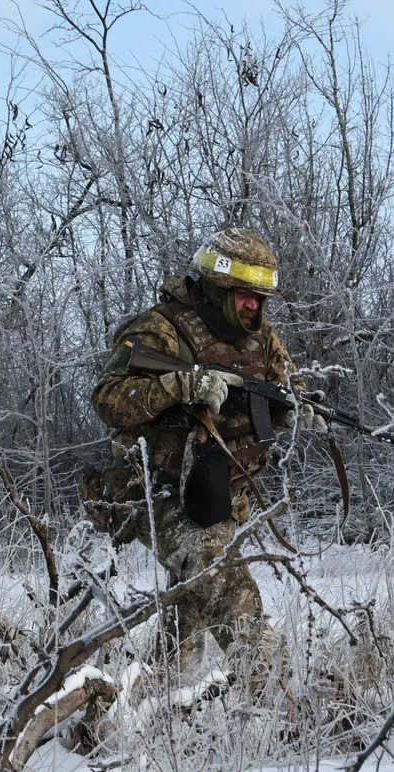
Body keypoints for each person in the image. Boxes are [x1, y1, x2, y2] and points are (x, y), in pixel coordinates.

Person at [90, 227, 326, 680]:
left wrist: (295, 410)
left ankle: (154, 702)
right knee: (223, 584)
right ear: (216, 289)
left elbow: (283, 388)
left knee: (191, 608)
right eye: (243, 296)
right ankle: (278, 703)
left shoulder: (262, 339)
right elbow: (106, 399)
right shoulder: (158, 329)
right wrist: (177, 385)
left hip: (221, 491)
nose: (253, 307)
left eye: (259, 299)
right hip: (154, 488)